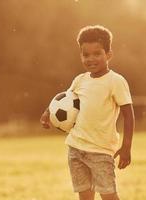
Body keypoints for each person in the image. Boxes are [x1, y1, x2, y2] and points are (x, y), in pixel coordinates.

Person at [40, 25, 135, 200]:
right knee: (85, 197)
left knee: (108, 196)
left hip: (101, 151)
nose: (91, 59)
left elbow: (128, 114)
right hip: (76, 149)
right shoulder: (80, 80)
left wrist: (126, 146)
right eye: (86, 54)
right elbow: (63, 100)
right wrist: (47, 113)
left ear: (108, 54)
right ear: (81, 55)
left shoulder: (116, 81)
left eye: (97, 53)